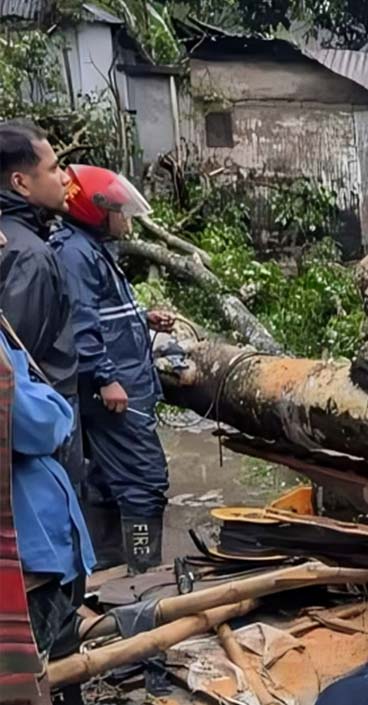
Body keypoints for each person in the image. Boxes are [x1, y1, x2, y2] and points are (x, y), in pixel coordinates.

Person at [50, 165, 174, 573]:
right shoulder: (75, 254)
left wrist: (142, 317)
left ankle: (108, 566)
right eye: (120, 211)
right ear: (96, 211)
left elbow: (101, 312)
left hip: (125, 380)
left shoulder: (91, 248)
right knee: (144, 479)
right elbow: (80, 323)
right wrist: (106, 378)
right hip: (116, 388)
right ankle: (144, 570)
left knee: (105, 476)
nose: (126, 220)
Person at [0, 220, 95, 701]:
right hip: (28, 556)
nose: (2, 240)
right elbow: (29, 420)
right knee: (28, 680)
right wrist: (55, 406)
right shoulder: (40, 259)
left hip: (34, 549)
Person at [0, 123, 83, 488]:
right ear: (20, 183)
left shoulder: (14, 238)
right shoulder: (29, 256)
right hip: (39, 437)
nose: (65, 178)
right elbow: (15, 367)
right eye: (53, 168)